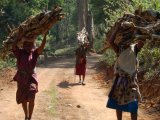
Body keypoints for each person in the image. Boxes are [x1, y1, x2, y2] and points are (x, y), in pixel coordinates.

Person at [106, 21, 144, 120]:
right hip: (120, 81)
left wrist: (139, 30)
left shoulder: (134, 48)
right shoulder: (119, 49)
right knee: (119, 104)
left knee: (133, 106)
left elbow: (142, 42)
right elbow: (111, 41)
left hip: (131, 83)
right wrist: (117, 28)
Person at [12, 30, 48, 120]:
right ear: (23, 45)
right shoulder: (20, 53)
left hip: (31, 78)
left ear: (32, 45)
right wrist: (18, 36)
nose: (28, 46)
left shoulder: (34, 53)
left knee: (32, 97)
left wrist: (45, 37)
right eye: (26, 44)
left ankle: (30, 117)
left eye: (30, 44)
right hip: (21, 78)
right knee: (23, 99)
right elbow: (13, 46)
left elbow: (41, 47)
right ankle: (26, 116)